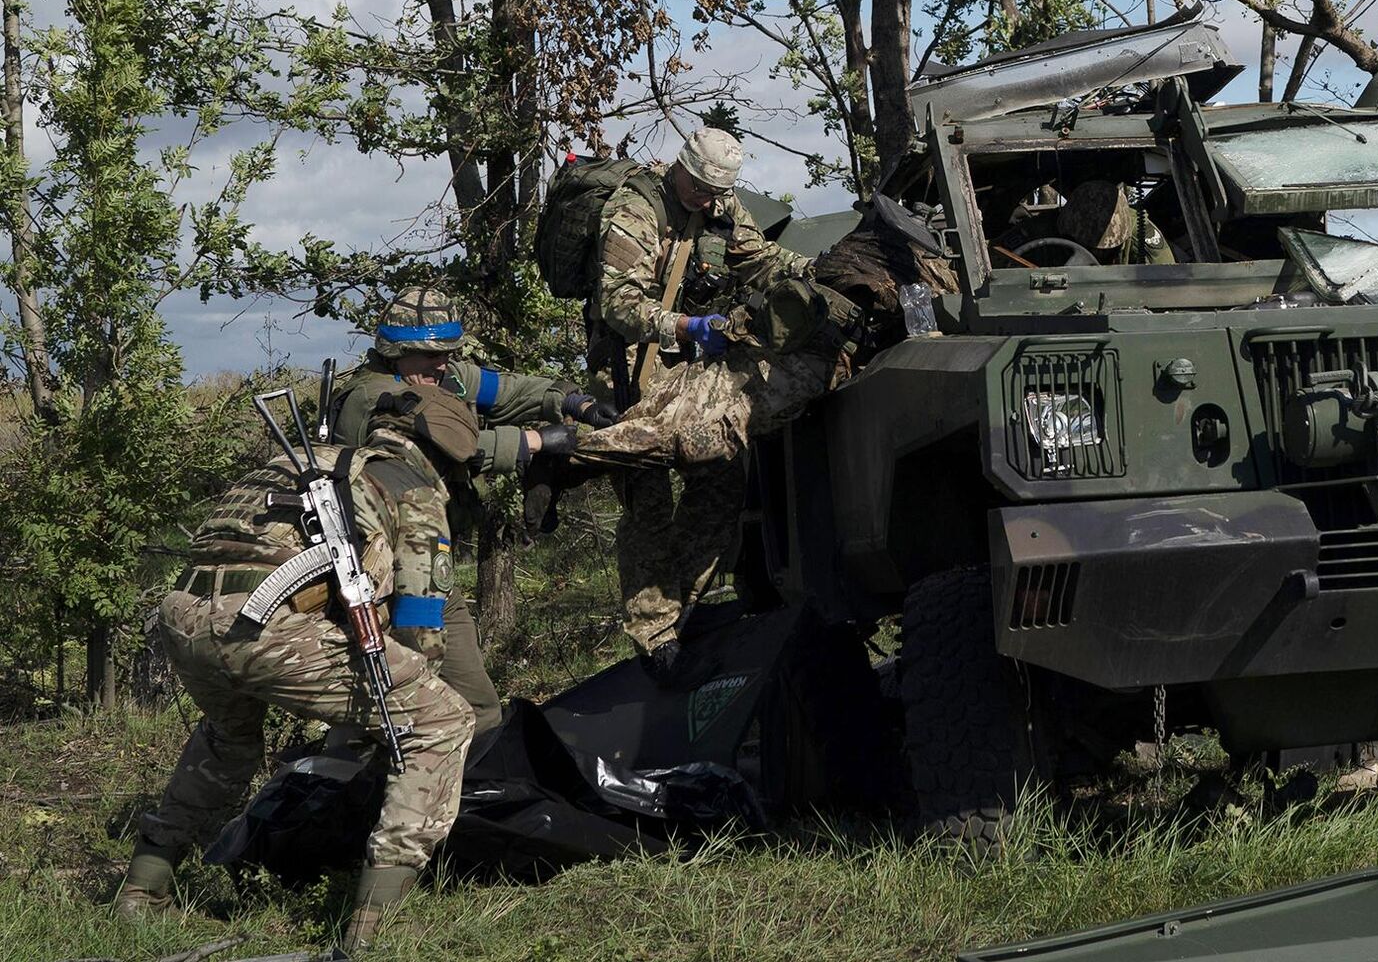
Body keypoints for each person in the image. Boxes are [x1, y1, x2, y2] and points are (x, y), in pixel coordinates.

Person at [114, 385, 480, 956]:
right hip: (267, 626)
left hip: (184, 615)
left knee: (229, 741)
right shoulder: (412, 486)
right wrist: (407, 696)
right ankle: (375, 925)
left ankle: (143, 887)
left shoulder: (304, 460)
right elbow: (421, 621)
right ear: (447, 452)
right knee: (442, 720)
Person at [574, 127, 861, 686]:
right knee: (648, 500)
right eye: (700, 187)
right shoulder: (635, 211)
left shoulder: (722, 207)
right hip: (629, 367)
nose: (707, 199)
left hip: (687, 367)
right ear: (681, 168)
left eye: (716, 191)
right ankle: (654, 636)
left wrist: (814, 274)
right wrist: (684, 326)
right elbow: (617, 303)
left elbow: (758, 258)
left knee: (721, 480)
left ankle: (679, 602)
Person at [330, 286, 615, 733]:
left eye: (447, 352)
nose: (440, 363)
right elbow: (445, 447)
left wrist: (572, 401)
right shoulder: (372, 397)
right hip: (380, 576)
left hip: (433, 566)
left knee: (479, 710)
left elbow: (510, 391)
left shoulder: (444, 377)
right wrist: (532, 442)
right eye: (429, 355)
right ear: (396, 352)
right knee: (383, 714)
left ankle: (470, 798)